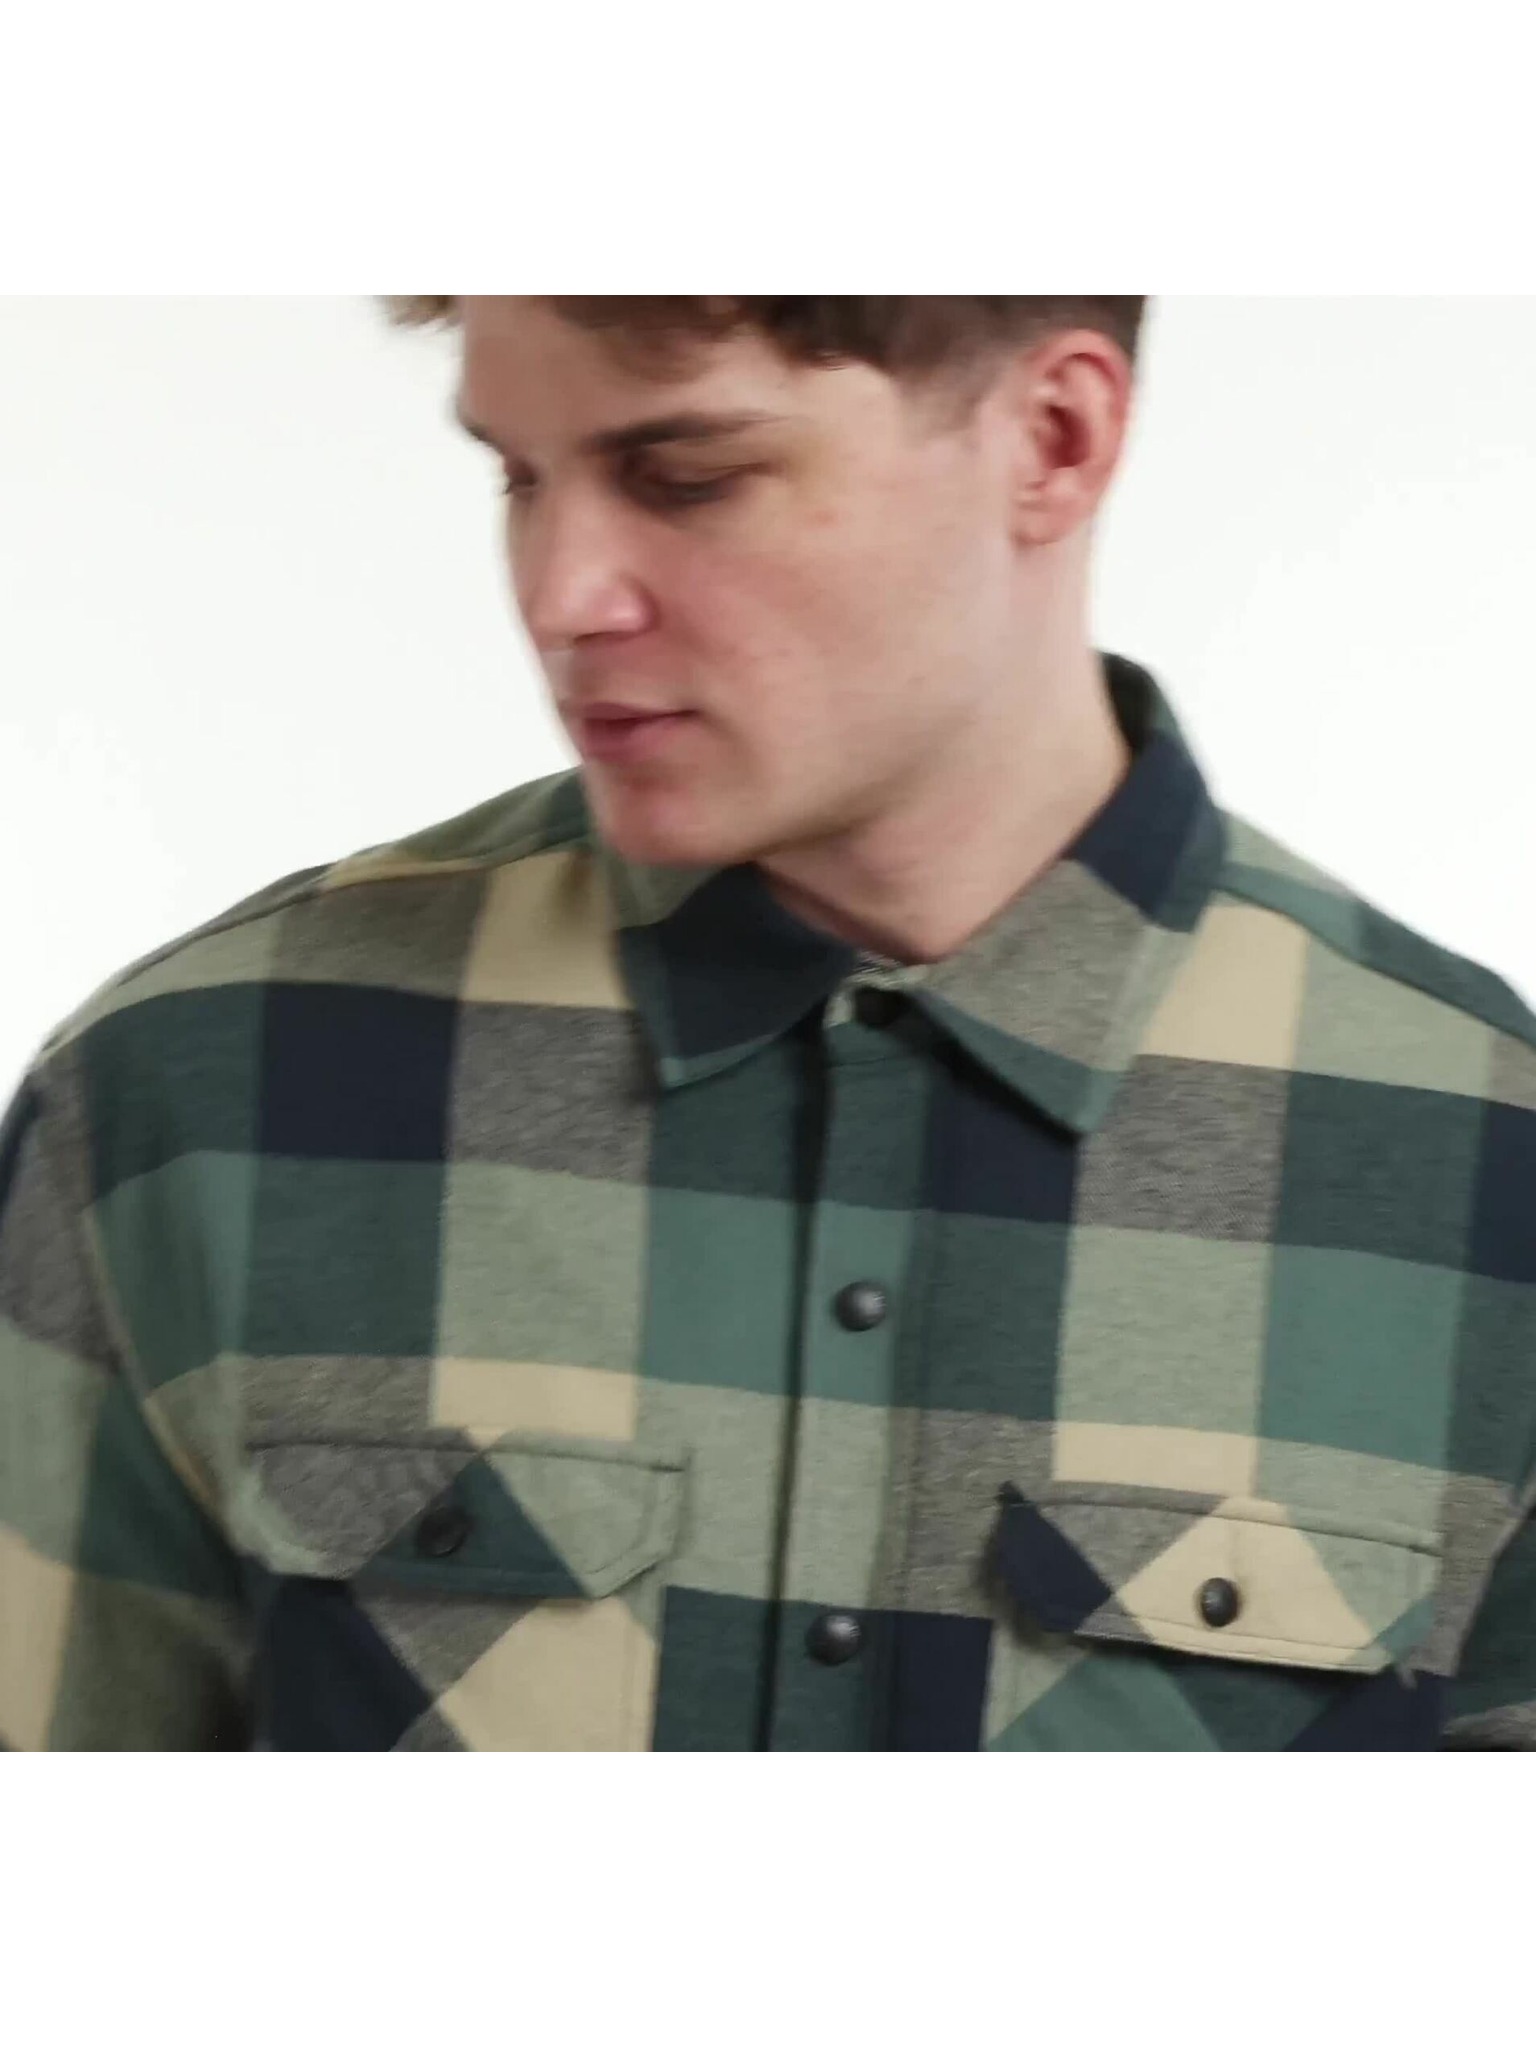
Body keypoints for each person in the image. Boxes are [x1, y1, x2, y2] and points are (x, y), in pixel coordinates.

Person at [2, 294, 1533, 1751]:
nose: (559, 595)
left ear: (1053, 439)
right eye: (519, 477)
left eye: (687, 477)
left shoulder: (1492, 1166)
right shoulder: (191, 1101)